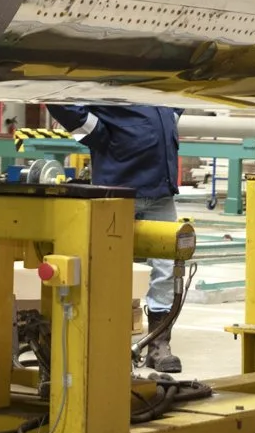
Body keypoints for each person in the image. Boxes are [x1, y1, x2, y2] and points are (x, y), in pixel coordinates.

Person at [45, 103, 186, 372]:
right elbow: (60, 100)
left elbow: (180, 94)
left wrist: (169, 116)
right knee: (110, 269)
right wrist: (100, 134)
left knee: (167, 269)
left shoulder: (156, 73)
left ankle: (158, 345)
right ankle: (107, 344)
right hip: (118, 186)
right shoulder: (110, 69)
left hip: (160, 190)